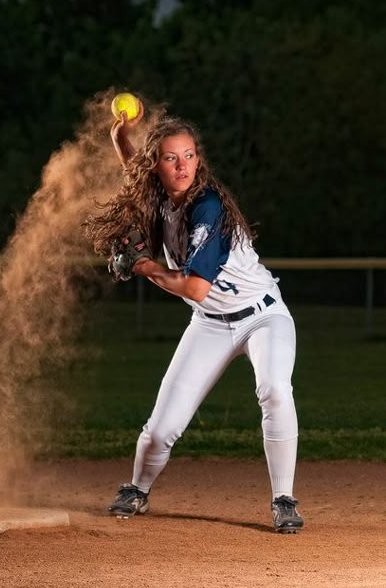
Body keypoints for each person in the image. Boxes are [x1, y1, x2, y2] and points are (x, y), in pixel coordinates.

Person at [83, 100, 304, 533]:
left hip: (263, 316)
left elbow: (194, 287)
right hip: (209, 324)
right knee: (162, 427)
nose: (182, 166)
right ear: (157, 165)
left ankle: (284, 498)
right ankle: (137, 489)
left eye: (188, 156)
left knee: (275, 389)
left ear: (198, 161)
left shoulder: (209, 210)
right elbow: (136, 174)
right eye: (170, 158)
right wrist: (119, 138)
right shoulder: (157, 193)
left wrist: (144, 266)